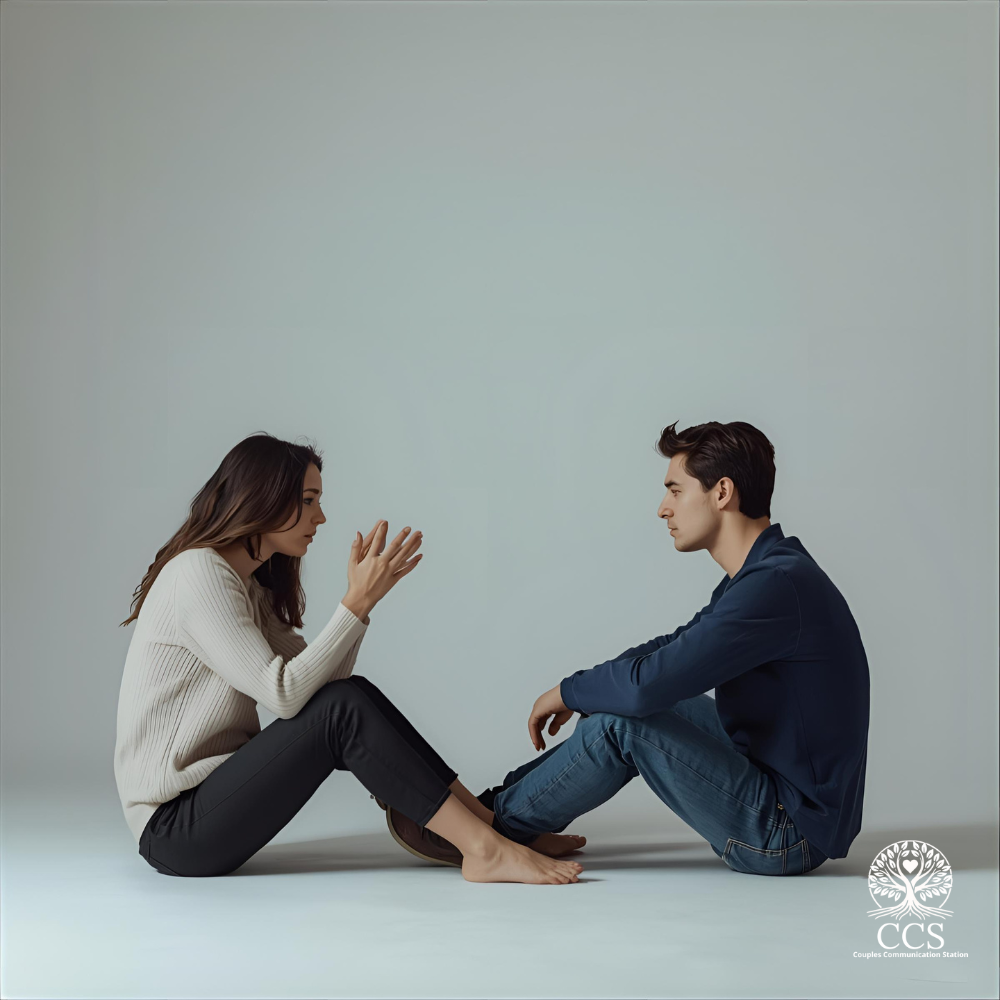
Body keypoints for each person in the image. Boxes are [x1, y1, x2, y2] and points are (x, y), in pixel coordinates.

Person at [113, 432, 585, 884]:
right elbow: (285, 695)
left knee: (350, 696)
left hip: (206, 810)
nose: (320, 517)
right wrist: (355, 604)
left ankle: (490, 827)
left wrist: (362, 606)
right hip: (174, 830)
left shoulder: (245, 588)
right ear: (263, 498)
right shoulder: (198, 574)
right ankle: (484, 849)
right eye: (307, 500)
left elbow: (323, 690)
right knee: (344, 706)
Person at [448, 420, 869, 877]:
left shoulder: (776, 584)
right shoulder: (766, 573)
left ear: (722, 492)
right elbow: (672, 649)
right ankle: (500, 811)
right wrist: (583, 687)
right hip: (775, 786)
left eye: (675, 490)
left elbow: (645, 688)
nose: (662, 509)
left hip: (788, 833)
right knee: (636, 698)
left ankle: (491, 830)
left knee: (622, 722)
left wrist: (569, 693)